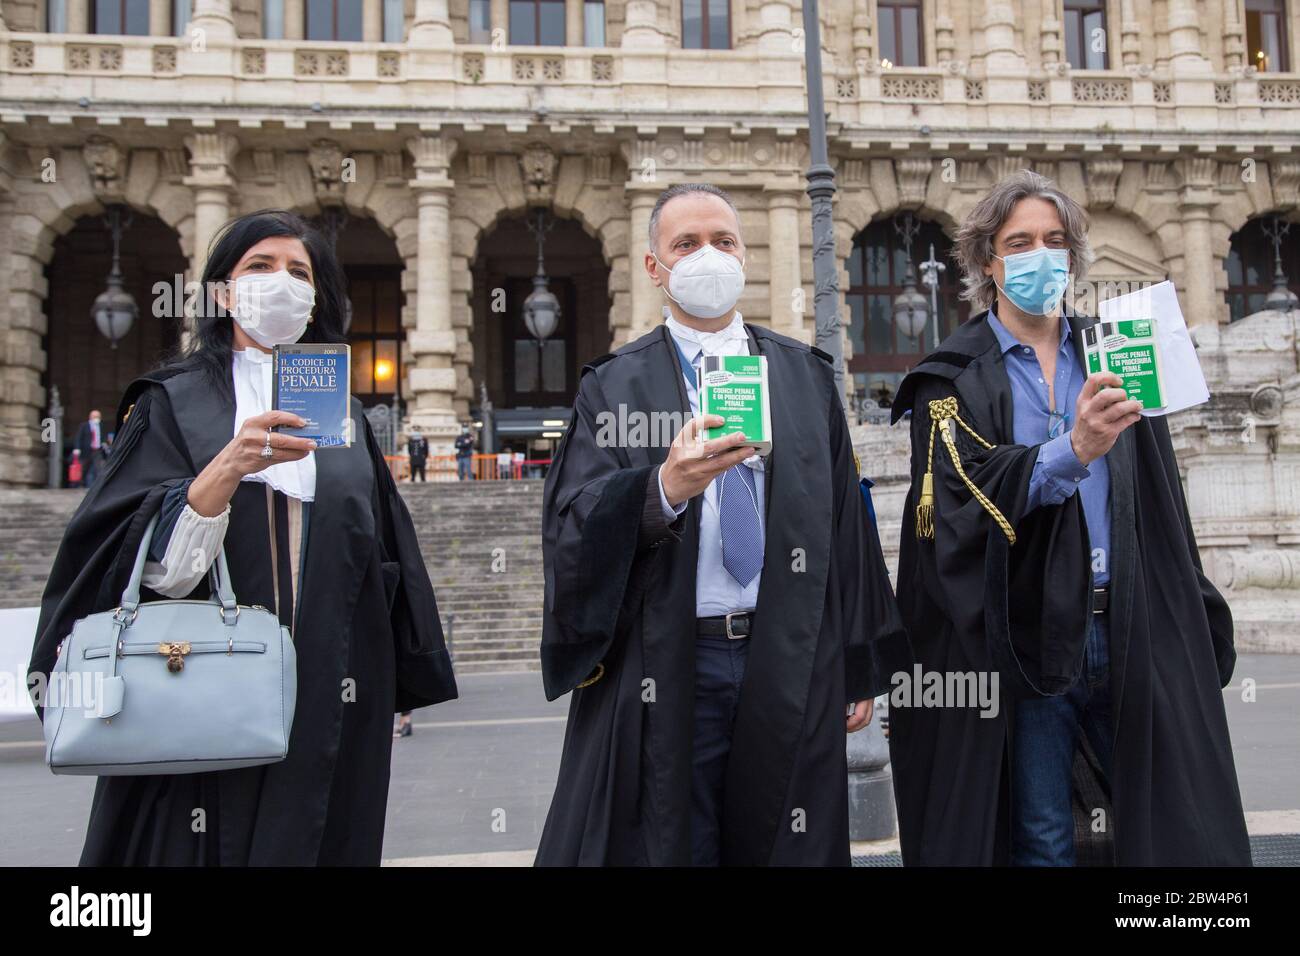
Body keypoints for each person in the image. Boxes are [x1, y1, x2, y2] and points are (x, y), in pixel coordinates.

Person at [29, 209, 458, 866]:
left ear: (315, 298)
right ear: (224, 292)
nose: (280, 282)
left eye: (299, 271)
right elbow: (131, 559)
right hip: (194, 683)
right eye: (260, 266)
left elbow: (377, 554)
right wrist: (224, 469)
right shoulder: (169, 402)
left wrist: (389, 678)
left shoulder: (346, 417)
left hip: (328, 690)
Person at [535, 183, 909, 866]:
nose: (708, 256)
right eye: (686, 244)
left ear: (745, 256)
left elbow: (845, 528)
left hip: (788, 652)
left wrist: (859, 664)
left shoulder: (802, 376)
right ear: (654, 267)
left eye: (724, 241)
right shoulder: (613, 387)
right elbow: (570, 526)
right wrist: (661, 490)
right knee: (678, 840)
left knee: (784, 840)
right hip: (673, 662)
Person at [887, 170, 1250, 866]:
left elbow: (1158, 494)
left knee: (1161, 826)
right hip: (1027, 636)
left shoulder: (1116, 349)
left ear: (1075, 256)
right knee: (1044, 837)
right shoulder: (952, 378)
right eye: (1018, 242)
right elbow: (962, 503)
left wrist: (1190, 608)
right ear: (987, 261)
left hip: (1129, 623)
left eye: (1055, 241)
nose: (1040, 256)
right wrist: (1072, 449)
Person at [71, 410, 106, 488]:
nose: (96, 418)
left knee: (98, 468)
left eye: (98, 416)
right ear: (90, 417)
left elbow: (102, 436)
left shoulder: (101, 426)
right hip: (85, 450)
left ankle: (97, 486)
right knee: (84, 468)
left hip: (97, 450)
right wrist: (77, 448)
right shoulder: (84, 426)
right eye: (95, 416)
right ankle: (80, 484)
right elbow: (78, 437)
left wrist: (104, 442)